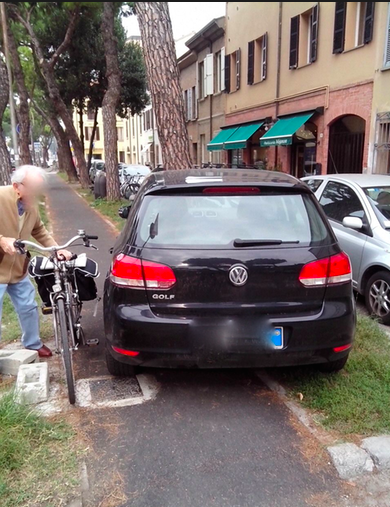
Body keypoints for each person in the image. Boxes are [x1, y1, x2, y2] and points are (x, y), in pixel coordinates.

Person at [0, 165, 72, 357]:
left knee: (28, 307)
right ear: (17, 186)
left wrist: (57, 249)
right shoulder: (1, 197)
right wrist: (1, 239)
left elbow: (39, 230)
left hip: (17, 268)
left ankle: (32, 343)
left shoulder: (30, 206)